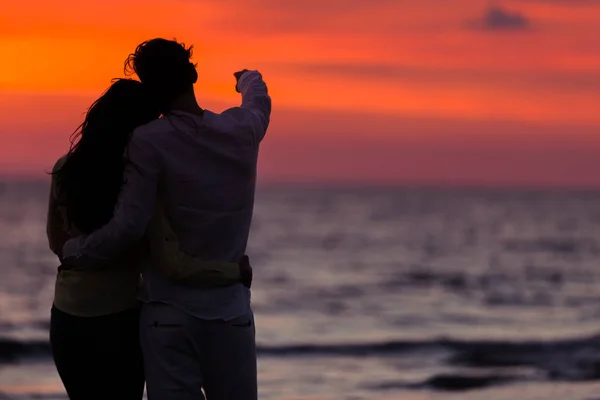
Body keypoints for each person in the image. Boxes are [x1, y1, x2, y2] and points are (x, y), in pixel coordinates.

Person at [61, 38, 271, 400]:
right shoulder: (242, 130)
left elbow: (129, 226)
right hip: (229, 312)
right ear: (192, 73)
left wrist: (75, 249)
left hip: (167, 315)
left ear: (149, 88)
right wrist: (247, 77)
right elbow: (259, 101)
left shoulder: (148, 140)